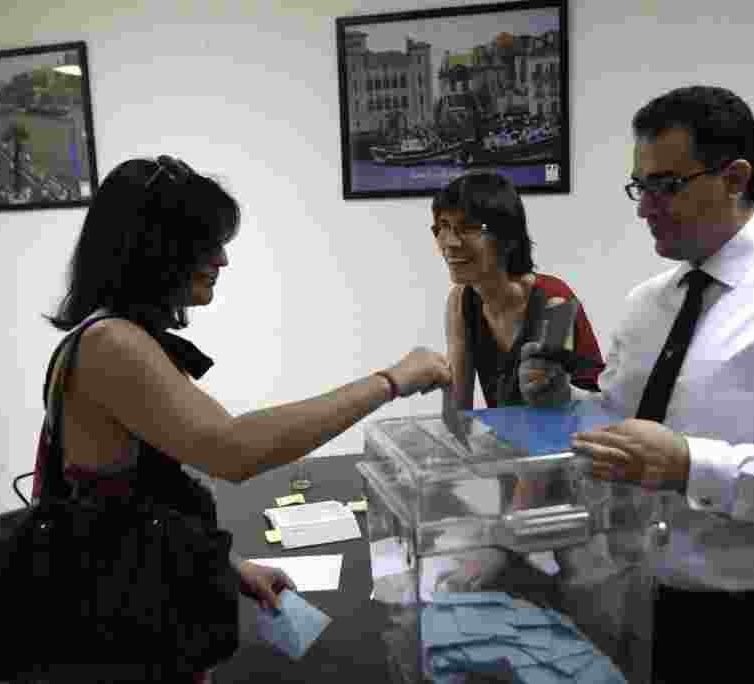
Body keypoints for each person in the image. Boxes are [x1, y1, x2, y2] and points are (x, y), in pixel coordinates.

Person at [32, 155, 451, 682]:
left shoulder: (112, 336)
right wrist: (390, 382)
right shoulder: (111, 343)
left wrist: (227, 568)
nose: (223, 259)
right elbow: (232, 449)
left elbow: (130, 502)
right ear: (154, 249)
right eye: (206, 243)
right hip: (124, 641)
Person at [519, 86, 754, 681]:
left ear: (735, 178)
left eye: (666, 185)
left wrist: (689, 464)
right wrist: (564, 402)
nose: (644, 208)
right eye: (641, 186)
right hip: (639, 602)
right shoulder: (648, 305)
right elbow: (620, 421)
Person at [435, 171, 603, 412]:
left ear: (508, 238)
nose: (450, 242)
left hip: (573, 438)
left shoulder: (557, 303)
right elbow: (458, 412)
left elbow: (552, 409)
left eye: (468, 228)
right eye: (444, 227)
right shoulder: (459, 301)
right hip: (511, 442)